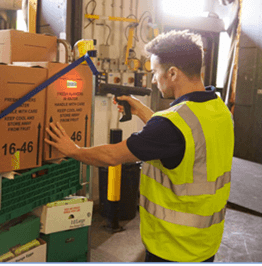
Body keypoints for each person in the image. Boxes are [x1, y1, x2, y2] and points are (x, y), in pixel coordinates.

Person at [45, 30, 235, 263]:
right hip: (206, 242)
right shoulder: (219, 110)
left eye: (156, 72)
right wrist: (142, 111)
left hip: (173, 247)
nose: (154, 80)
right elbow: (180, 141)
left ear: (173, 73)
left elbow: (112, 155)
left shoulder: (171, 126)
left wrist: (73, 149)